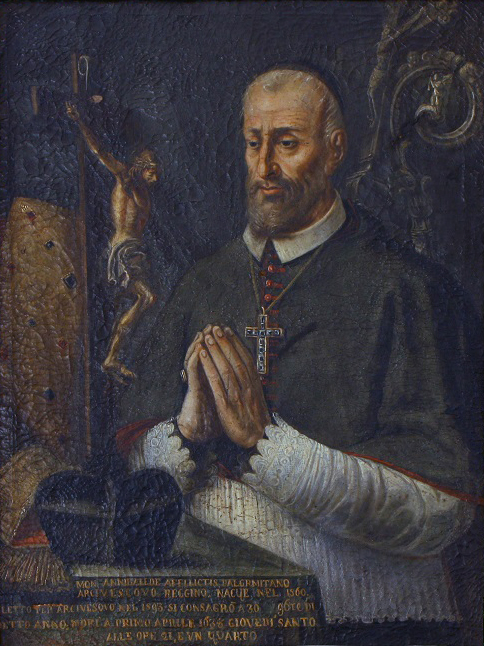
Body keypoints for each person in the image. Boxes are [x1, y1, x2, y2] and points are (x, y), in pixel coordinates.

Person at [117, 66, 481, 644]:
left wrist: (268, 444)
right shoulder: (204, 282)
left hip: (359, 622)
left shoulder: (404, 288)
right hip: (212, 618)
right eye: (253, 143)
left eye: (286, 144)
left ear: (333, 150)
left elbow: (443, 511)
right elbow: (133, 466)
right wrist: (184, 434)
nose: (264, 167)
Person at [66, 102, 159, 383]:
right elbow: (100, 152)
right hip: (125, 250)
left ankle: (112, 357)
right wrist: (80, 121)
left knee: (131, 304)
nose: (156, 176)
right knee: (147, 298)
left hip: (136, 251)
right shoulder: (125, 179)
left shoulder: (144, 193)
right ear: (140, 168)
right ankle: (111, 358)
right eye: (152, 171)